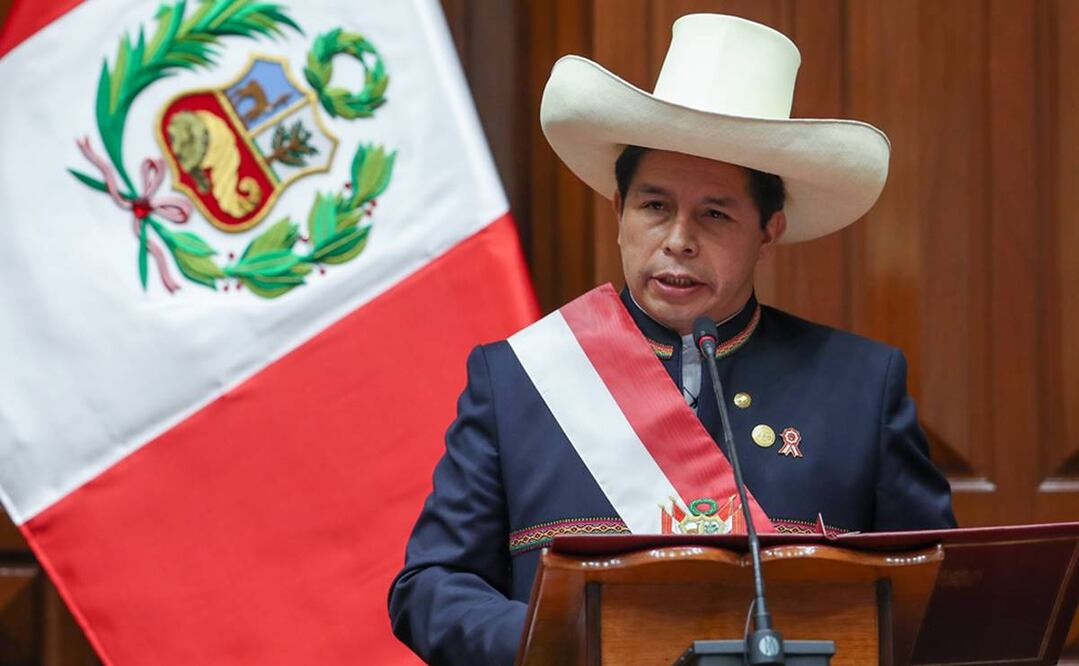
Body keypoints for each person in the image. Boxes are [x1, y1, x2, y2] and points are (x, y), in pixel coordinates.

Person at [388, 13, 956, 665]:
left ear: (767, 231)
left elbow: (936, 594)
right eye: (654, 207)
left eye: (714, 214)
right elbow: (429, 587)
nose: (679, 240)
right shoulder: (518, 380)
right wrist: (565, 642)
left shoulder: (860, 387)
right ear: (619, 211)